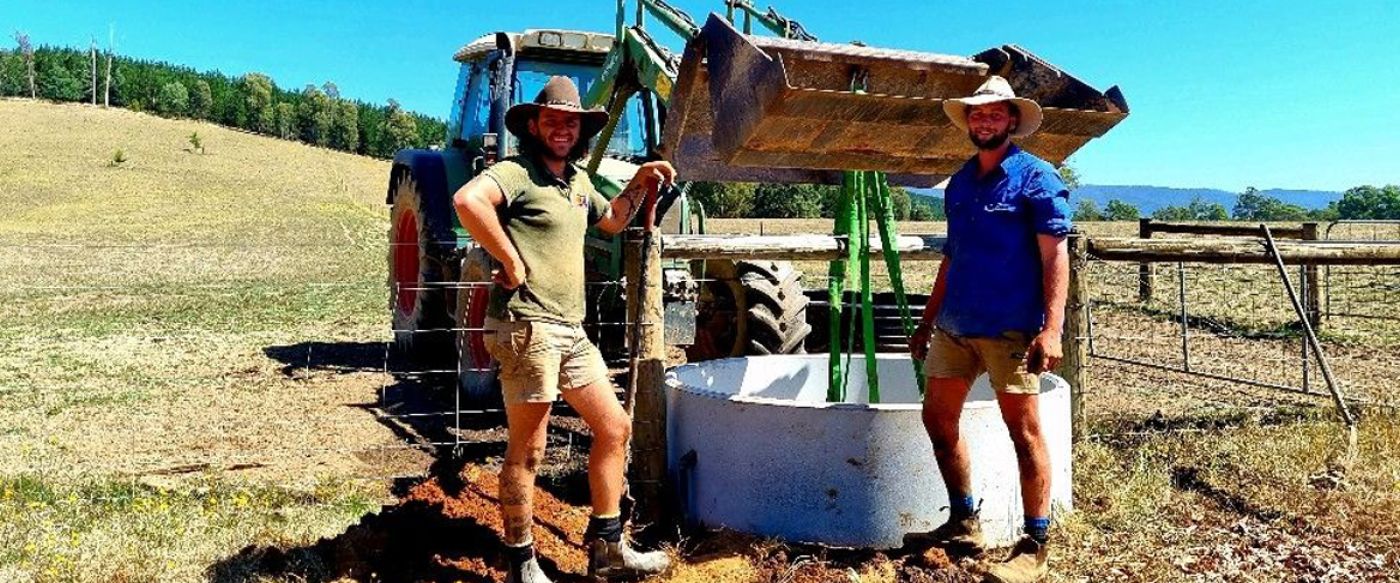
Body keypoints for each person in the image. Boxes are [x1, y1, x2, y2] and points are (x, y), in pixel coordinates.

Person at [452, 76, 675, 583]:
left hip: (570, 329)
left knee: (614, 427)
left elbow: (612, 220)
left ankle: (608, 549)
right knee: (529, 450)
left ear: (581, 131)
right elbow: (468, 201)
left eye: (571, 123)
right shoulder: (516, 173)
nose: (562, 129)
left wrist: (641, 181)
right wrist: (510, 260)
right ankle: (522, 564)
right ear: (533, 125)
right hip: (527, 326)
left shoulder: (575, 181)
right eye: (552, 120)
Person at [906, 76, 1071, 583]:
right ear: (968, 122)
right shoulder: (960, 182)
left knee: (1024, 433)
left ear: (1012, 120)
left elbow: (1055, 256)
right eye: (977, 114)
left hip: (1010, 329)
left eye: (995, 113)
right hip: (956, 326)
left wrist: (1052, 329)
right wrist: (927, 320)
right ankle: (963, 522)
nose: (985, 121)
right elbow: (952, 257)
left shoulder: (1035, 177)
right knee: (938, 421)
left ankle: (1035, 545)